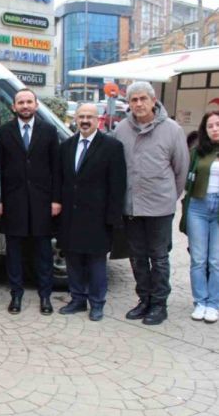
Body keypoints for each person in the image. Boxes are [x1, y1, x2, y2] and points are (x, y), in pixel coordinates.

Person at [114, 81, 189, 325]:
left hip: (159, 207)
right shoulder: (121, 129)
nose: (138, 104)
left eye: (143, 99)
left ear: (153, 100)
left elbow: (181, 170)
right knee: (137, 257)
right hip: (131, 206)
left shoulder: (172, 130)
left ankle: (159, 304)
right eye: (133, 100)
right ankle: (144, 299)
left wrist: (168, 197)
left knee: (158, 257)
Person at [57, 103, 126, 321]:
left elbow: (118, 185)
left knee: (96, 264)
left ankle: (97, 303)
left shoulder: (112, 147)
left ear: (98, 120)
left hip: (98, 217)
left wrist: (113, 218)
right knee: (73, 262)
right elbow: (61, 180)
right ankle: (77, 299)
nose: (85, 121)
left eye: (89, 117)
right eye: (81, 117)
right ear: (75, 119)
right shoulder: (66, 146)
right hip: (71, 216)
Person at [0, 88, 61, 315]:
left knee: (43, 253)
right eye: (20, 102)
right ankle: (16, 295)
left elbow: (56, 168)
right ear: (13, 106)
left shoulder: (49, 131)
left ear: (36, 105)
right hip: (13, 202)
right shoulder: (2, 132)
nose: (25, 106)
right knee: (14, 253)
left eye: (28, 102)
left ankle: (45, 296)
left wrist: (56, 199)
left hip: (42, 202)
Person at [180, 111, 219, 323]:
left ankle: (213, 304)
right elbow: (187, 179)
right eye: (210, 126)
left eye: (218, 124)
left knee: (215, 260)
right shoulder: (197, 152)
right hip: (198, 206)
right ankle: (200, 302)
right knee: (198, 259)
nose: (215, 129)